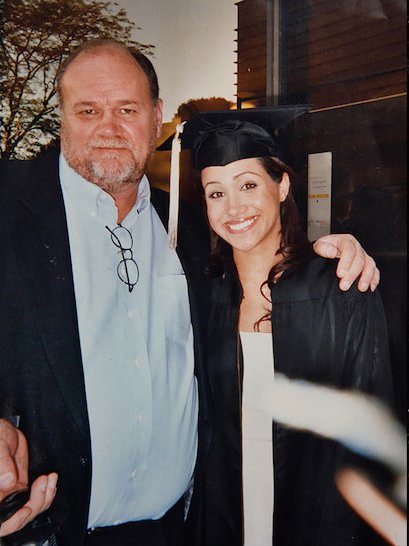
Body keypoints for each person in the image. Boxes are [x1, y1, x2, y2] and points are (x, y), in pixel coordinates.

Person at [0, 40, 379, 546]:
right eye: (88, 110)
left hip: (180, 530)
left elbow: (259, 257)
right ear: (62, 116)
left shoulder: (190, 229)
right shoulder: (9, 207)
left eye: (127, 110)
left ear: (156, 116)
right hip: (47, 528)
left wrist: (330, 252)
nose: (108, 128)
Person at [167, 108, 396, 546]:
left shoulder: (340, 288)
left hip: (319, 519)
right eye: (216, 193)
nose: (233, 207)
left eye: (249, 185)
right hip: (223, 515)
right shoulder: (202, 295)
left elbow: (373, 429)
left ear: (283, 185)